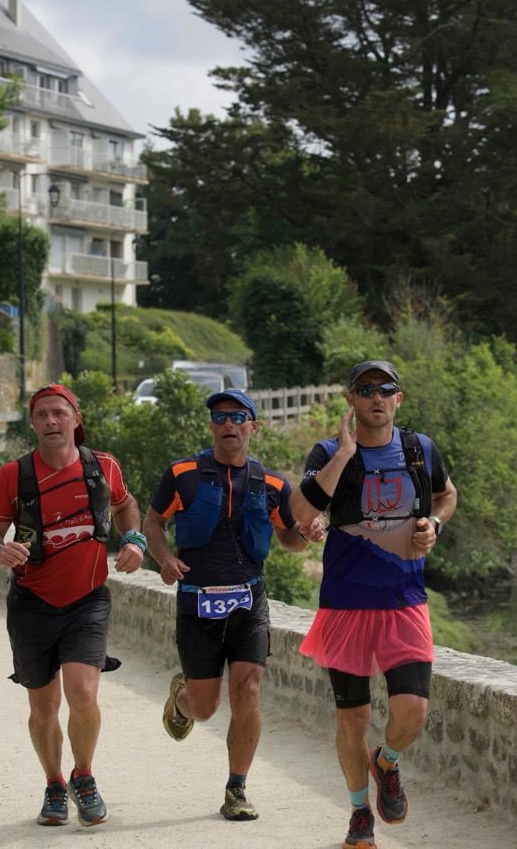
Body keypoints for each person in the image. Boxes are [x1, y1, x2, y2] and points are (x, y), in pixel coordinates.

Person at [289, 360, 458, 849]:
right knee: (352, 719)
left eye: (386, 389)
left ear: (398, 399)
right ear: (352, 400)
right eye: (365, 390)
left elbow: (447, 496)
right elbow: (299, 512)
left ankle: (386, 762)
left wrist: (434, 525)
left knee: (414, 712)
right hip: (345, 605)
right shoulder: (327, 453)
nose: (376, 397)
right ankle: (359, 813)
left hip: (405, 601)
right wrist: (345, 454)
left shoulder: (420, 450)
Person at [143, 388, 323, 822]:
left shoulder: (272, 483)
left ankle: (236, 788)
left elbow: (289, 538)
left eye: (238, 417)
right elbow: (153, 523)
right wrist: (164, 558)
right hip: (197, 602)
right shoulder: (182, 474)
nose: (229, 424)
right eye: (220, 417)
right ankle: (182, 699)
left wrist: (306, 532)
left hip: (249, 602)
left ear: (253, 427)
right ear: (211, 426)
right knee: (205, 708)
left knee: (248, 689)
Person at [0, 384, 145, 828]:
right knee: (43, 706)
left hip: (87, 600)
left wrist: (135, 539)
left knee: (83, 693)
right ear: (33, 424)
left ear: (76, 419)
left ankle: (83, 776)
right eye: (42, 415)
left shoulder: (103, 466)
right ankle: (54, 783)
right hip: (31, 603)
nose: (51, 421)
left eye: (59, 412)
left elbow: (126, 505)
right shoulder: (13, 475)